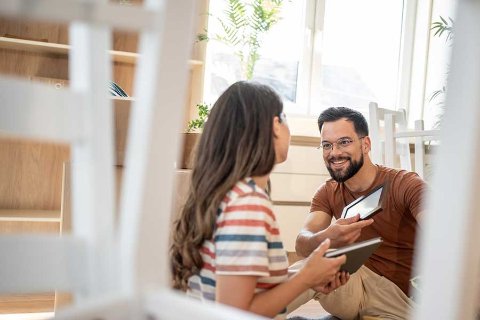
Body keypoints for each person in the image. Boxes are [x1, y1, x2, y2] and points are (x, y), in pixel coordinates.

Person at [170, 81, 349, 319]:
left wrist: (307, 277)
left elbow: (252, 288)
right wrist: (306, 276)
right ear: (275, 124)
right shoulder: (247, 204)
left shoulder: (230, 194)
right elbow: (233, 314)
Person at [295, 107, 427, 320]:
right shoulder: (328, 191)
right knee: (307, 268)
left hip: (399, 299)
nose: (334, 153)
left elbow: (444, 238)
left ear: (365, 144)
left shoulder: (406, 184)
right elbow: (302, 244)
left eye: (344, 142)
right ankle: (244, 313)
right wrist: (327, 236)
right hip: (352, 282)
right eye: (327, 145)